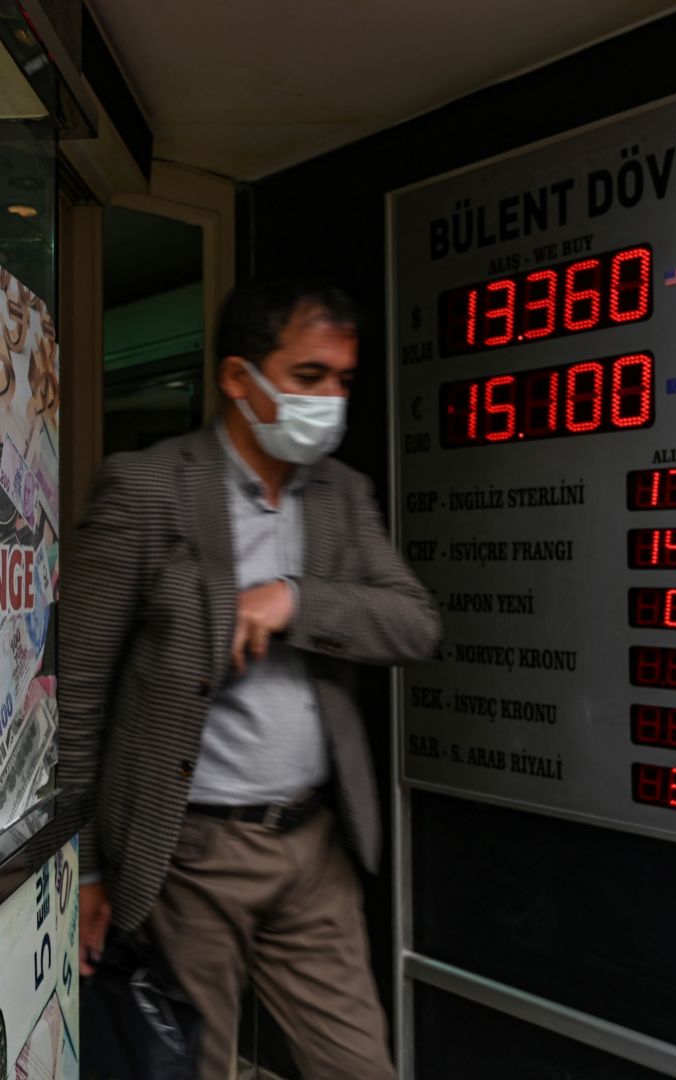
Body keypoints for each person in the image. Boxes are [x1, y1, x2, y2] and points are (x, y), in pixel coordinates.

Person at [59, 278, 440, 1079]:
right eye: (308, 377)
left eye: (342, 380)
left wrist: (293, 599)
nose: (330, 400)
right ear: (239, 378)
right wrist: (86, 869)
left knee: (361, 1065)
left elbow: (414, 623)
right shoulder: (148, 488)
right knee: (197, 1066)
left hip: (311, 846)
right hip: (189, 850)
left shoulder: (343, 494)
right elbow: (80, 692)